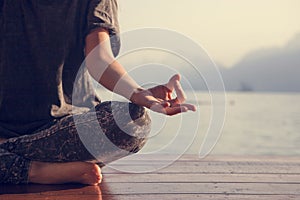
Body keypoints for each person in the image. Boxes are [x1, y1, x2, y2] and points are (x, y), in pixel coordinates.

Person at [0, 0, 196, 185]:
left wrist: (138, 94)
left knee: (134, 123)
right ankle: (38, 171)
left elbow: (100, 59)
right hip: (5, 126)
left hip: (65, 130)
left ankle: (10, 159)